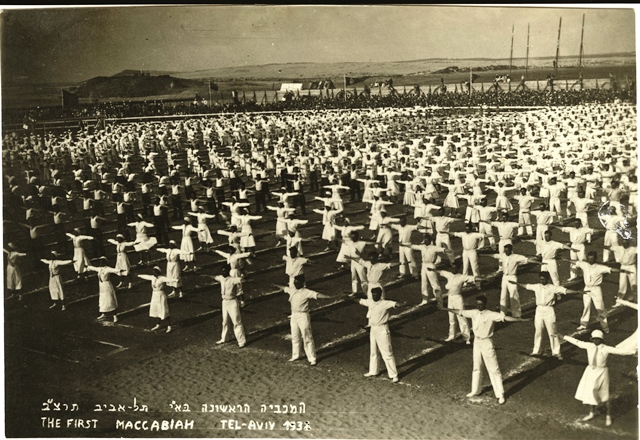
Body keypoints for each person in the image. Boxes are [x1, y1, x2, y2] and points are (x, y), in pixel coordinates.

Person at [441, 295, 530, 404]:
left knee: (494, 369)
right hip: (477, 342)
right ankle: (475, 390)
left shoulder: (491, 314)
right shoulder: (474, 312)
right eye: (477, 304)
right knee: (476, 367)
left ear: (485, 304)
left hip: (487, 342)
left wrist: (519, 320)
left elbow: (505, 318)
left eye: (481, 304)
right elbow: (460, 311)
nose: (479, 306)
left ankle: (500, 394)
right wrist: (446, 309)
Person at [559, 330, 636, 427]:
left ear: (601, 340)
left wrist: (633, 351)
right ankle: (592, 413)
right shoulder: (589, 345)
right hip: (590, 371)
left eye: (597, 339)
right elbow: (577, 342)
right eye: (594, 339)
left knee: (604, 394)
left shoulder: (606, 348)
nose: (595, 341)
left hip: (601, 372)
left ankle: (608, 415)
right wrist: (564, 337)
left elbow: (620, 352)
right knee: (591, 392)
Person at [511, 271, 583, 360]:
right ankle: (536, 351)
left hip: (549, 310)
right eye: (540, 279)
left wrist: (579, 291)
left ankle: (556, 352)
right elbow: (526, 286)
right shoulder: (537, 286)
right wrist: (516, 283)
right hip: (539, 310)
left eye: (543, 279)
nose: (541, 281)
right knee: (538, 330)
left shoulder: (553, 288)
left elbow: (565, 291)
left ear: (547, 279)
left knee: (552, 332)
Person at [355, 286, 408, 383]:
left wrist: (404, 304)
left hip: (382, 329)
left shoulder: (385, 303)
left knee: (387, 353)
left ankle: (394, 375)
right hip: (373, 329)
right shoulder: (370, 301)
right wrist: (348, 298)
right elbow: (360, 301)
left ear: (380, 295)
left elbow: (395, 304)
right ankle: (373, 371)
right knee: (373, 351)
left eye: (376, 294)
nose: (374, 296)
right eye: (373, 294)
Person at [276, 275, 331, 366]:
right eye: (294, 282)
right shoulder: (292, 290)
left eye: (297, 282)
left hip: (303, 316)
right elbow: (284, 288)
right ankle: (296, 355)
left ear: (302, 283)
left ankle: (312, 358)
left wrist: (328, 297)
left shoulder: (306, 292)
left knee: (307, 337)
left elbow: (317, 295)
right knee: (295, 335)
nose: (295, 283)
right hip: (294, 315)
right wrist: (275, 284)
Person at [575, 251, 629, 333]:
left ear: (595, 259)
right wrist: (564, 259)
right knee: (586, 306)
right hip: (586, 289)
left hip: (596, 290)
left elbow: (611, 269)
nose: (590, 261)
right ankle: (583, 324)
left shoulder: (600, 267)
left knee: (600, 308)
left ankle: (605, 327)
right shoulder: (584, 264)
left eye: (592, 259)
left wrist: (622, 271)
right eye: (589, 259)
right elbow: (576, 262)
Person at [490, 243, 541, 318]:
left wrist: (538, 262)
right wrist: (482, 255)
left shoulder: (516, 257)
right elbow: (494, 256)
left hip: (512, 277)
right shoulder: (503, 255)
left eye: (507, 251)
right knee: (503, 296)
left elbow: (527, 260)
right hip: (504, 277)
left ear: (511, 250)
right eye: (505, 250)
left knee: (514, 295)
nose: (506, 252)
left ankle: (517, 314)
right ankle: (502, 313)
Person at [428, 263, 475, 343]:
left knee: (461, 317)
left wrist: (481, 278)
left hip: (458, 298)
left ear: (458, 269)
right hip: (450, 298)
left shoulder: (462, 277)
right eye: (452, 268)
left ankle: (466, 338)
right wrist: (432, 270)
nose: (453, 270)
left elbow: (472, 278)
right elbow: (441, 272)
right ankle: (451, 336)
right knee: (451, 318)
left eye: (455, 268)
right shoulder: (449, 275)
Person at [213, 264, 246, 348]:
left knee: (236, 322)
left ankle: (241, 341)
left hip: (232, 302)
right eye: (222, 271)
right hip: (224, 302)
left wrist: (244, 278)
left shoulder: (233, 280)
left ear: (228, 271)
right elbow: (214, 277)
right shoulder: (221, 278)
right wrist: (204, 275)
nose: (223, 272)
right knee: (225, 321)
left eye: (224, 271)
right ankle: (224, 338)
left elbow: (241, 280)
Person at [409, 234, 446, 305]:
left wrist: (446, 250)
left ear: (430, 240)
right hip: (424, 265)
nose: (425, 241)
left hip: (431, 266)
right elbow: (413, 246)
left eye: (426, 239)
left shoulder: (434, 247)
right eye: (424, 239)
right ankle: (425, 300)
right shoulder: (422, 247)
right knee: (424, 283)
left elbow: (442, 250)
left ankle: (440, 301)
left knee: (434, 284)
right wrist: (404, 245)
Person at [138, 266, 177, 333]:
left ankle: (169, 326)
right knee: (156, 310)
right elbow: (146, 276)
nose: (153, 273)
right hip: (154, 295)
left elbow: (168, 279)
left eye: (154, 271)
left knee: (163, 311)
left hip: (161, 296)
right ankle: (158, 324)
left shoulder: (161, 278)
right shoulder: (153, 277)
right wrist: (139, 275)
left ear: (158, 272)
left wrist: (176, 280)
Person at [87, 257, 123, 322]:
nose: (100, 263)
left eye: (102, 261)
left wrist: (120, 270)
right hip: (101, 286)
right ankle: (103, 313)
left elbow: (114, 270)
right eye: (100, 261)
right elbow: (93, 268)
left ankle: (115, 316)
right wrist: (87, 266)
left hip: (107, 286)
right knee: (102, 300)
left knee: (110, 300)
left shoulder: (107, 269)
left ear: (105, 262)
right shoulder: (99, 269)